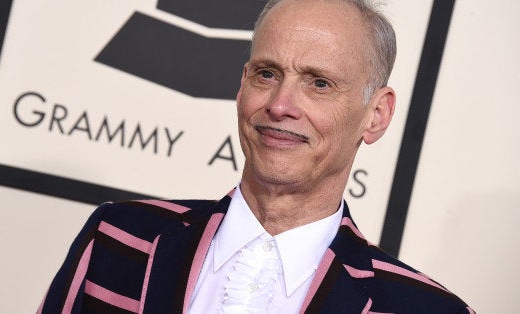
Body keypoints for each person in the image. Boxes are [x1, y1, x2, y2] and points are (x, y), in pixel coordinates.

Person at [38, 0, 473, 313]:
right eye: (267, 73)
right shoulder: (116, 238)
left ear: (375, 115)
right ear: (242, 85)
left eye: (318, 83)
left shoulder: (425, 309)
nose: (280, 104)